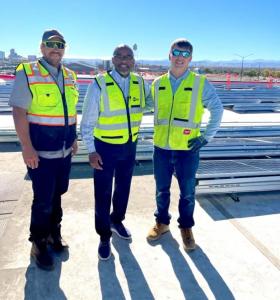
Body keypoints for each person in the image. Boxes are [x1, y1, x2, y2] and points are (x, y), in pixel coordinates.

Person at [9, 29, 79, 270]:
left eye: (60, 44)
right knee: (43, 201)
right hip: (40, 153)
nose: (55, 48)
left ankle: (53, 235)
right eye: (51, 44)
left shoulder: (70, 75)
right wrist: (26, 147)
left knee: (57, 195)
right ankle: (38, 242)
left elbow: (70, 110)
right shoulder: (28, 72)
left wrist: (74, 137)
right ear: (41, 47)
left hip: (64, 152)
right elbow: (19, 111)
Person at [147, 38, 223, 251]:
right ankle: (162, 223)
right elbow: (145, 106)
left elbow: (217, 109)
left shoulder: (200, 83)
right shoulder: (158, 83)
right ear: (169, 54)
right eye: (176, 53)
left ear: (190, 58)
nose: (180, 58)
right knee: (161, 190)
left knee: (187, 192)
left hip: (187, 150)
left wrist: (206, 137)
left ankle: (186, 228)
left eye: (185, 54)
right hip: (161, 148)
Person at [81, 44, 148, 260]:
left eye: (128, 57)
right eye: (119, 56)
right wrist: (91, 150)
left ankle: (117, 220)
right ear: (112, 59)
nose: (124, 60)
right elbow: (87, 122)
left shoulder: (140, 83)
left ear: (134, 60)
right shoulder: (99, 84)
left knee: (123, 188)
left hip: (129, 146)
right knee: (102, 193)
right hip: (105, 148)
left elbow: (155, 105)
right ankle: (103, 236)